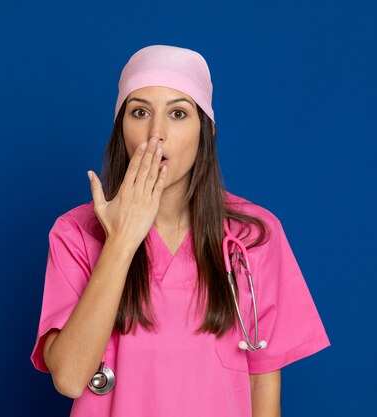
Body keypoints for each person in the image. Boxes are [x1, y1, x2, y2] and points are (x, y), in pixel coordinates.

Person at [30, 44, 331, 417]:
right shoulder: (76, 233)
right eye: (140, 112)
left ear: (206, 131)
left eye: (178, 113)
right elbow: (71, 379)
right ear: (120, 127)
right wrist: (122, 242)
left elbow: (262, 381)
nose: (155, 134)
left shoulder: (252, 236)